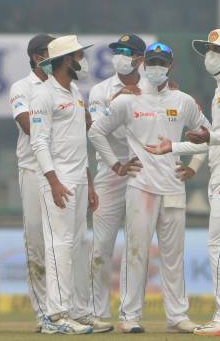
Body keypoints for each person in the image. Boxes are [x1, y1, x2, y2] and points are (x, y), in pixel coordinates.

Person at [144, 29, 220, 335]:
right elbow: (213, 140)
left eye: (216, 50)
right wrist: (174, 147)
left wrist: (209, 137)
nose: (209, 56)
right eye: (208, 49)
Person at [89, 42, 206, 334]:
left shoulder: (183, 100)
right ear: (143, 65)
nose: (155, 68)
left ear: (171, 67)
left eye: (161, 63)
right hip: (140, 186)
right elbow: (96, 132)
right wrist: (116, 165)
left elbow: (207, 135)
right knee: (136, 251)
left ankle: (177, 316)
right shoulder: (128, 100)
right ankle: (130, 315)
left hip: (174, 188)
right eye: (151, 62)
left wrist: (193, 166)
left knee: (173, 255)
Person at [29, 35, 110, 334]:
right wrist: (52, 181)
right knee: (58, 245)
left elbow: (79, 142)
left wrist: (89, 184)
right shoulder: (43, 95)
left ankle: (77, 311)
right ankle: (56, 316)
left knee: (76, 246)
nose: (82, 60)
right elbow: (38, 142)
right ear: (66, 60)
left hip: (77, 176)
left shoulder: (75, 90)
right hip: (57, 178)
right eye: (78, 55)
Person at [87, 34, 146, 321]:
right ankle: (98, 313)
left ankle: (129, 314)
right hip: (110, 172)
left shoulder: (153, 89)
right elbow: (99, 131)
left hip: (141, 170)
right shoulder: (100, 90)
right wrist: (115, 165)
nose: (120, 56)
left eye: (126, 51)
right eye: (117, 51)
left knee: (135, 245)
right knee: (101, 247)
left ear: (140, 59)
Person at [8, 33, 55, 331]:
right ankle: (44, 314)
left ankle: (67, 309)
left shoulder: (65, 86)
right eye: (54, 53)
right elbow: (28, 125)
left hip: (63, 172)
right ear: (38, 57)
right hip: (33, 170)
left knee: (64, 245)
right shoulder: (22, 87)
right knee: (37, 243)